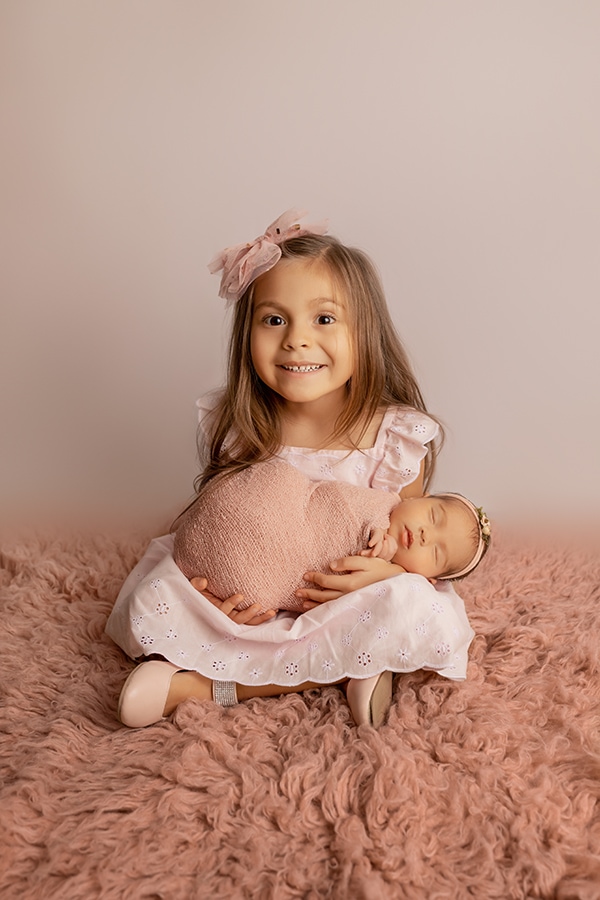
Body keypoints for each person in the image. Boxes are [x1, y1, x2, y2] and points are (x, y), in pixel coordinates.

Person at [106, 209, 476, 730]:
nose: (296, 340)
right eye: (274, 319)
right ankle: (347, 671)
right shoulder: (242, 425)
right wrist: (215, 587)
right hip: (263, 594)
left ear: (362, 331)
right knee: (161, 592)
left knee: (417, 604)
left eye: (324, 319)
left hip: (345, 596)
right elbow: (221, 520)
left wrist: (386, 574)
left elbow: (409, 542)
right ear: (247, 332)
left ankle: (201, 686)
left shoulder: (393, 436)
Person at [173, 457, 492, 614]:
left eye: (436, 553)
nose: (424, 535)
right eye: (433, 517)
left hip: (277, 565)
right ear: (417, 497)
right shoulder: (384, 502)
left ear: (430, 579)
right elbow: (347, 509)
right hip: (278, 506)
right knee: (277, 478)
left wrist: (393, 572)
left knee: (257, 592)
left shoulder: (402, 590)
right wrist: (379, 536)